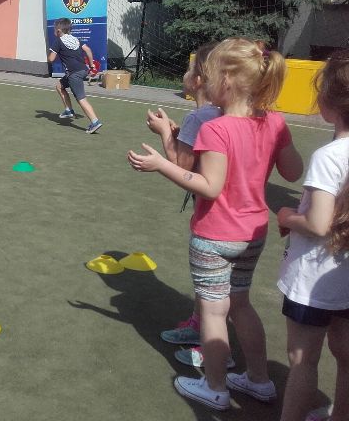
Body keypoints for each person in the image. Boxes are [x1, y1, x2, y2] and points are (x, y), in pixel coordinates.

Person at [127, 37, 303, 411]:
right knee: (240, 305)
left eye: (208, 75)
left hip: (215, 235)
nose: (203, 83)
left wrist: (161, 164)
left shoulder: (216, 129)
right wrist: (278, 138)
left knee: (213, 310)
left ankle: (215, 386)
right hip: (253, 233)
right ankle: (259, 379)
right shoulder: (275, 122)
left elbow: (209, 186)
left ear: (226, 80)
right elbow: (293, 171)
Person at [147, 42, 233, 369]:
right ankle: (198, 328)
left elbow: (182, 166)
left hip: (214, 218)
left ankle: (214, 353)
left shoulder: (199, 117)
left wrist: (164, 134)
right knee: (215, 288)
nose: (185, 73)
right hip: (234, 213)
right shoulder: (226, 114)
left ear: (198, 80)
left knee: (212, 290)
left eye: (189, 68)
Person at [276, 49, 349, 421]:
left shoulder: (330, 156)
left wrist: (287, 215)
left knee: (302, 359)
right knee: (346, 356)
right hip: (344, 278)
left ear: (330, 104)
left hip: (315, 279)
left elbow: (319, 224)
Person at [47, 18, 103, 133]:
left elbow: (51, 59)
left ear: (58, 31)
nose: (54, 31)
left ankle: (95, 122)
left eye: (54, 29)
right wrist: (91, 65)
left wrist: (51, 53)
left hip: (74, 74)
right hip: (82, 70)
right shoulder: (75, 39)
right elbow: (88, 50)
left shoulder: (58, 41)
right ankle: (69, 110)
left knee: (81, 99)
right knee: (59, 86)